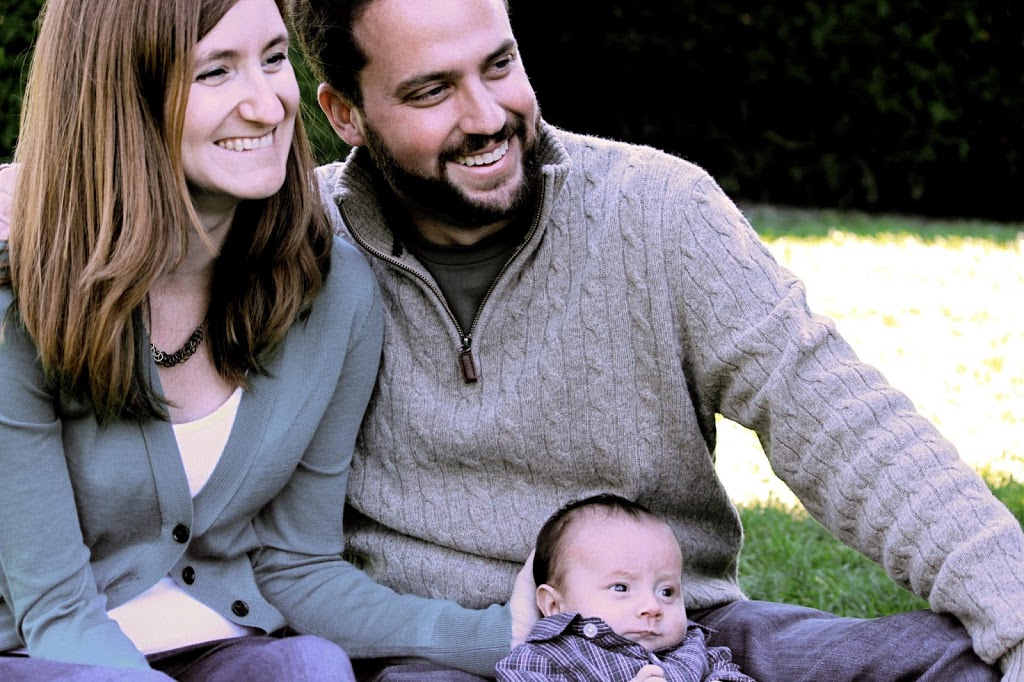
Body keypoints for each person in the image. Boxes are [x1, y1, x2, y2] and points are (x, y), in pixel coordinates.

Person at [282, 0, 1024, 679]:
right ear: (346, 113)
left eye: (500, 65)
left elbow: (843, 422)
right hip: (450, 654)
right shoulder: (293, 245)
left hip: (684, 638)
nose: (487, 116)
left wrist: (1017, 620)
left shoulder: (658, 209)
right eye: (431, 91)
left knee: (952, 659)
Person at [0, 0, 532, 678]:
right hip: (41, 655)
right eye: (216, 72)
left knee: (311, 668)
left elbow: (298, 566)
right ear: (124, 94)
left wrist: (513, 636)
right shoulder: (22, 305)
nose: (268, 104)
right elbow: (55, 617)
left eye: (274, 59)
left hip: (227, 647)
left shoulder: (330, 293)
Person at [496, 494, 755, 682]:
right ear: (554, 605)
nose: (652, 608)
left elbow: (729, 674)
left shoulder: (692, 649)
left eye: (666, 592)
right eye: (621, 588)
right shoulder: (546, 658)